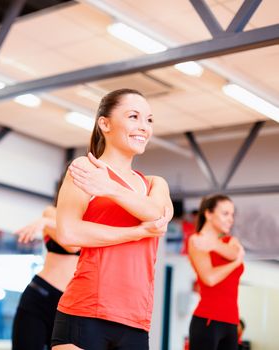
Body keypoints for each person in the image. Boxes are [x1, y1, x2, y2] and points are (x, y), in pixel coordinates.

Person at [50, 88, 173, 350]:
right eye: (133, 117)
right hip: (85, 312)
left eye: (149, 120)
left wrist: (111, 188)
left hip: (136, 321)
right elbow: (68, 234)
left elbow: (159, 215)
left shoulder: (153, 184)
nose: (143, 127)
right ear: (104, 123)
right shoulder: (84, 169)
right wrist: (136, 233)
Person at [12, 203, 79, 350]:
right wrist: (48, 221)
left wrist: (46, 223)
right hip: (41, 296)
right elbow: (73, 244)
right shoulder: (51, 212)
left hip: (69, 306)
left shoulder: (95, 224)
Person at [188, 194, 245, 350]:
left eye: (232, 214)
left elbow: (234, 253)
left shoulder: (231, 241)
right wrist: (236, 264)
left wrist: (213, 244)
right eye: (225, 213)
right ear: (208, 214)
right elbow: (210, 278)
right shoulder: (196, 240)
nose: (231, 219)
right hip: (208, 320)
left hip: (232, 323)